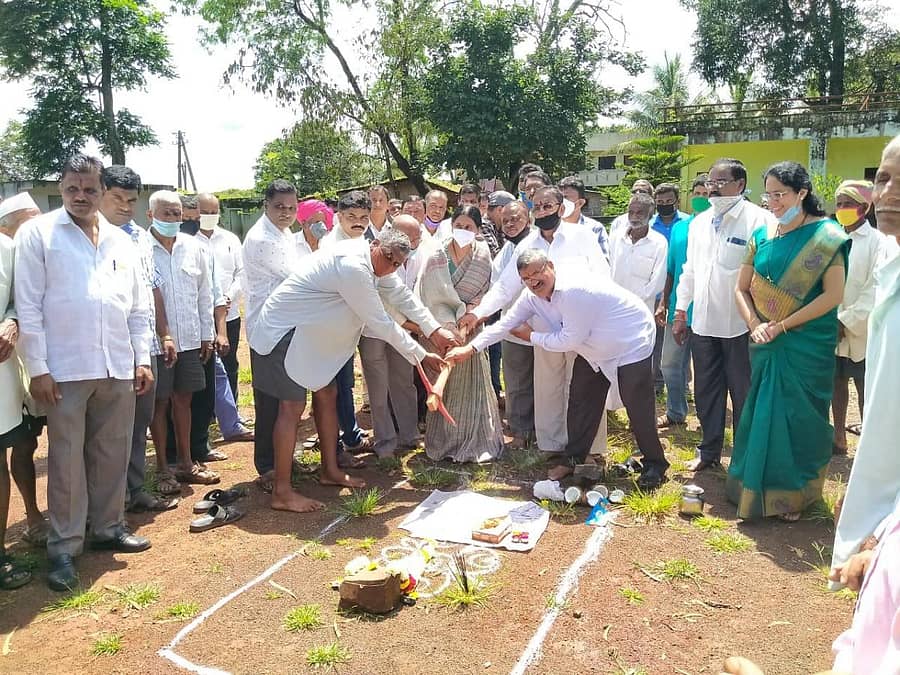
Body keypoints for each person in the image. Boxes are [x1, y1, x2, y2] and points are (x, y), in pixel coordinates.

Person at [15, 154, 153, 591]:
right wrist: (38, 368)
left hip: (116, 365)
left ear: (101, 189)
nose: (80, 196)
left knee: (112, 451)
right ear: (61, 187)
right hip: (65, 368)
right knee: (67, 461)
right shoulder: (39, 235)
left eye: (89, 189)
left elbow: (137, 306)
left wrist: (142, 358)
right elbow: (30, 306)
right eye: (72, 188)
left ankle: (108, 528)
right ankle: (64, 547)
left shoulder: (121, 241)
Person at [251, 229, 446, 510]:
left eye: (396, 265)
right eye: (388, 259)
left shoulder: (376, 262)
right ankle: (281, 492)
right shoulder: (353, 266)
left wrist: (435, 329)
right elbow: (380, 321)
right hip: (285, 332)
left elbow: (402, 296)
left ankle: (329, 470)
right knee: (292, 406)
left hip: (312, 334)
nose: (390, 268)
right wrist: (421, 354)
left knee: (327, 394)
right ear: (376, 244)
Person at [448, 249, 668, 489]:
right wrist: (470, 349)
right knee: (581, 399)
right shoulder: (530, 296)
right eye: (526, 278)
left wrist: (530, 335)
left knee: (637, 405)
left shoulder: (574, 291)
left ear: (550, 266)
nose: (533, 282)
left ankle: (655, 464)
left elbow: (567, 341)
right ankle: (574, 458)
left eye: (537, 273)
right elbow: (504, 325)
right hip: (593, 347)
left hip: (630, 340)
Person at [728, 161, 850, 521]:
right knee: (760, 412)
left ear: (802, 194)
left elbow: (832, 296)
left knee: (799, 417)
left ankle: (793, 496)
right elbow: (741, 288)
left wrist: (782, 326)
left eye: (781, 194)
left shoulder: (827, 237)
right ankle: (752, 489)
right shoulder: (763, 236)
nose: (774, 202)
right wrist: (754, 324)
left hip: (805, 344)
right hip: (765, 340)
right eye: (769, 194)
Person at [459, 186, 610, 456]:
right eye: (537, 207)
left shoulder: (582, 237)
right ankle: (552, 447)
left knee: (583, 390)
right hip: (545, 329)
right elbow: (504, 287)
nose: (542, 211)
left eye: (547, 206)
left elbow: (602, 277)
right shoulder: (528, 246)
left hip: (583, 329)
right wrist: (477, 313)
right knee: (549, 390)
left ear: (561, 208)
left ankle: (589, 449)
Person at [830, 134, 900, 584]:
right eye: (885, 177)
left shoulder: (878, 243)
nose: (889, 192)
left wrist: (885, 531)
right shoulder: (892, 252)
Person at [674, 159, 774, 472]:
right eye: (711, 181)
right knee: (706, 390)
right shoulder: (699, 222)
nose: (714, 187)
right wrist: (680, 311)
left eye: (721, 181)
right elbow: (689, 270)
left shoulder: (761, 220)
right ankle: (709, 451)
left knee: (743, 391)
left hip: (741, 324)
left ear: (740, 185)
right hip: (703, 322)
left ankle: (744, 456)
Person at [98, 167, 179, 513]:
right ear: (100, 194)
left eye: (131, 200)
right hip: (106, 351)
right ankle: (103, 505)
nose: (126, 206)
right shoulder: (88, 236)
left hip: (144, 348)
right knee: (103, 433)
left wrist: (165, 334)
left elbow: (152, 290)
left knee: (138, 424)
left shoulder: (139, 237)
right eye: (118, 198)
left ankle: (134, 490)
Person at [358, 215, 456, 458]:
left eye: (414, 240)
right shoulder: (364, 265)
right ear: (387, 236)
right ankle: (385, 444)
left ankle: (409, 435)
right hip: (375, 331)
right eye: (405, 238)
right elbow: (382, 315)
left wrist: (434, 329)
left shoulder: (408, 256)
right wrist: (420, 342)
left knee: (404, 382)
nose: (410, 244)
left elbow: (406, 298)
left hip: (405, 330)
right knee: (378, 388)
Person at [416, 206, 503, 462]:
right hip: (442, 330)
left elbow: (488, 289)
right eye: (459, 226)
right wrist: (449, 327)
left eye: (469, 227)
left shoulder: (484, 253)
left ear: (477, 230)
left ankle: (474, 438)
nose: (463, 231)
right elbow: (430, 294)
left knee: (472, 384)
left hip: (472, 326)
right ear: (451, 226)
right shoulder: (437, 255)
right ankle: (445, 441)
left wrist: (473, 312)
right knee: (445, 384)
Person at [147, 191, 219, 491]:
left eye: (177, 214)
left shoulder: (194, 247)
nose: (173, 220)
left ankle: (187, 462)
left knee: (184, 400)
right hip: (155, 342)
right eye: (166, 214)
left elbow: (206, 294)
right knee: (159, 404)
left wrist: (207, 334)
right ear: (150, 215)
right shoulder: (140, 249)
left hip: (190, 339)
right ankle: (164, 468)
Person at [243, 180, 304, 491]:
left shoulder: (284, 233)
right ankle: (268, 467)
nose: (286, 213)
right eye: (280, 207)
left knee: (280, 400)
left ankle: (280, 459)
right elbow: (298, 277)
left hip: (284, 326)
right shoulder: (262, 239)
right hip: (270, 329)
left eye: (292, 208)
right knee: (274, 402)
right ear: (266, 205)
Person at [0, 192, 47, 549]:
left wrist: (12, 319)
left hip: (27, 363)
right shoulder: (9, 246)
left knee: (26, 441)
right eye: (28, 220)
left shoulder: (22, 250)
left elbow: (22, 299)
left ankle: (34, 514)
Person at [830, 180, 888, 454]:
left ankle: (869, 444)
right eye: (839, 204)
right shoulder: (832, 237)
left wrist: (846, 320)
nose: (842, 209)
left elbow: (875, 287)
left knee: (865, 385)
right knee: (836, 382)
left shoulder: (878, 242)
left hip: (863, 328)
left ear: (864, 208)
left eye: (848, 204)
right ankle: (838, 437)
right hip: (832, 324)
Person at [656, 176, 709, 428]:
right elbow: (671, 269)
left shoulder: (718, 227)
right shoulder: (681, 228)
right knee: (669, 362)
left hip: (708, 310)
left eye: (706, 193)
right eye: (697, 192)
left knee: (705, 368)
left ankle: (708, 418)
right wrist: (664, 301)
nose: (701, 197)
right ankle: (676, 411)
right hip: (679, 307)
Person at [493, 201, 535, 449]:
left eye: (515, 219)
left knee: (545, 383)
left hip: (542, 327)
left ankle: (543, 431)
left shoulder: (539, 244)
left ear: (527, 219)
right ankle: (520, 431)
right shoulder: (506, 251)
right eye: (506, 220)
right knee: (516, 382)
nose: (510, 224)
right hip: (513, 327)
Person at [198, 193, 244, 404]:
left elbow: (242, 273)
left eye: (213, 212)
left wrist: (229, 296)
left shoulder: (230, 240)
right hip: (200, 317)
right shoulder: (187, 240)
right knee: (203, 365)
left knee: (229, 364)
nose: (209, 216)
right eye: (204, 212)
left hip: (229, 313)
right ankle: (208, 412)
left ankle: (231, 411)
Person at [608, 193, 667, 312]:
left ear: (650, 215)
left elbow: (657, 282)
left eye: (640, 213)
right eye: (631, 212)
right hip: (613, 306)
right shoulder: (615, 238)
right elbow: (606, 270)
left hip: (641, 309)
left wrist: (631, 300)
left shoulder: (659, 243)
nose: (634, 217)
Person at [558, 175, 609, 257]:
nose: (561, 202)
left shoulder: (595, 229)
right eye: (559, 198)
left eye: (566, 198)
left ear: (580, 203)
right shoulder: (551, 228)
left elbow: (604, 260)